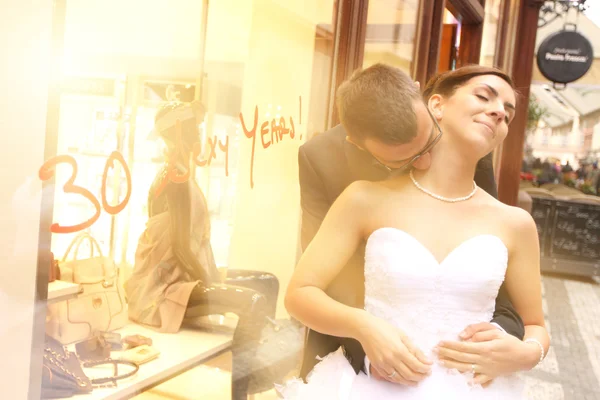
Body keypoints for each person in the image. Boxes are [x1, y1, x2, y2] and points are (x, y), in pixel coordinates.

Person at [279, 64, 549, 398]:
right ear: (435, 105)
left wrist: (525, 353)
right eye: (484, 95)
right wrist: (363, 329)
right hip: (372, 383)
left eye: (508, 114)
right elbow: (304, 291)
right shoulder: (363, 196)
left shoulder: (515, 223)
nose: (498, 112)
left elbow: (533, 322)